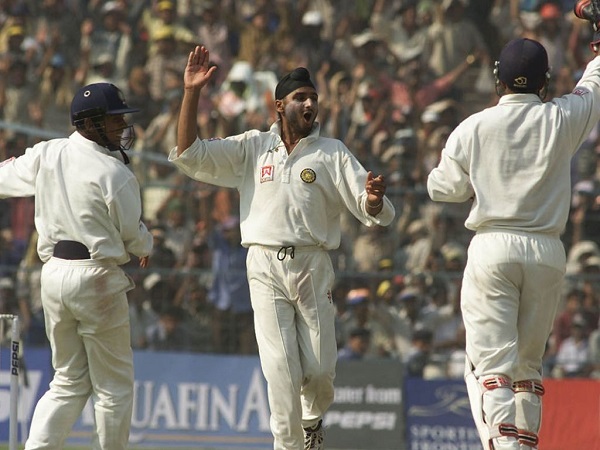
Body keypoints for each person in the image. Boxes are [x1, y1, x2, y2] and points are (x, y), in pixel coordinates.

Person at [169, 46, 395, 450]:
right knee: (281, 372)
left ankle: (312, 421)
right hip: (263, 264)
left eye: (314, 99)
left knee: (322, 371)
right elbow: (190, 154)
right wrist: (191, 94)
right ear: (279, 105)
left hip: (312, 264)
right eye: (300, 98)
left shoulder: (332, 152)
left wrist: (374, 201)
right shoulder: (252, 148)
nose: (309, 104)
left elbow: (368, 204)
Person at [426, 26, 600, 450]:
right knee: (527, 369)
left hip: (494, 246)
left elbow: (440, 188)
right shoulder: (560, 117)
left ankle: (504, 446)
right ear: (545, 82)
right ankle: (522, 445)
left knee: (490, 368)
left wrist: (477, 181)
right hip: (546, 252)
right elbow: (594, 84)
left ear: (498, 80)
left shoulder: (474, 126)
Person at [0, 81, 153, 450]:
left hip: (52, 276)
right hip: (96, 278)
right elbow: (133, 236)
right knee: (113, 386)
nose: (122, 126)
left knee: (67, 381)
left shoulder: (47, 153)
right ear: (90, 123)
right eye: (114, 119)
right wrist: (146, 245)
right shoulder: (116, 175)